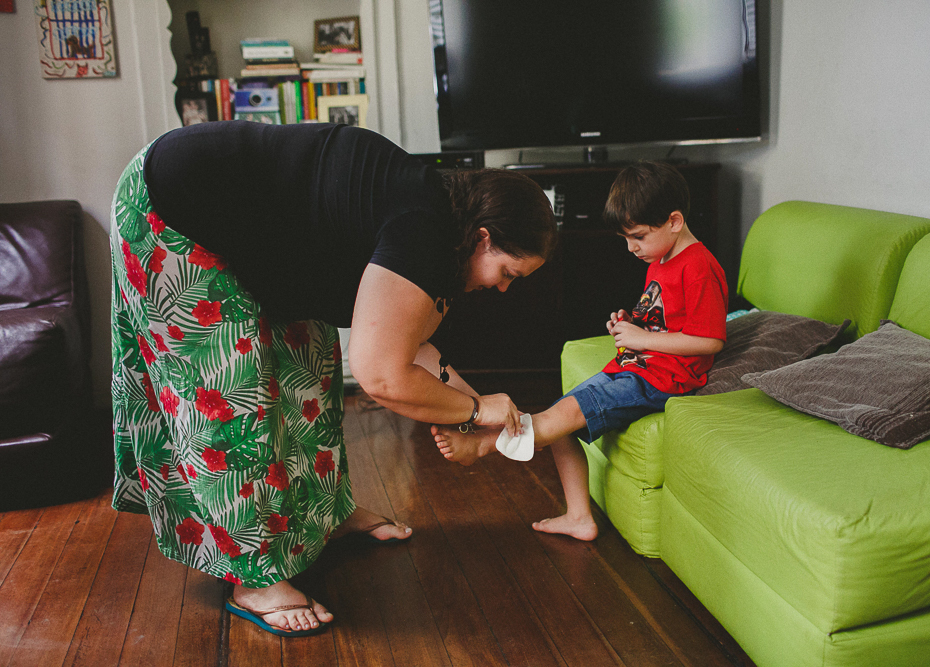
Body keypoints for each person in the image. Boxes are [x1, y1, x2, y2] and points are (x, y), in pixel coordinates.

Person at [109, 121, 556, 636]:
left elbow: (414, 349)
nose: (501, 289)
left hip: (259, 237)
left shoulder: (444, 231)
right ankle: (252, 579)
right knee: (229, 391)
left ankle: (324, 517)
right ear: (484, 237)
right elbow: (381, 377)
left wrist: (482, 409)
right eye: (507, 273)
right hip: (175, 207)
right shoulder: (423, 231)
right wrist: (478, 412)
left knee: (310, 370)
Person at [432, 161, 727, 541]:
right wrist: (632, 324)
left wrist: (643, 340)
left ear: (673, 221)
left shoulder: (698, 266)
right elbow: (665, 318)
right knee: (563, 426)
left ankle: (484, 443)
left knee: (564, 413)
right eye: (625, 238)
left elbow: (710, 340)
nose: (631, 248)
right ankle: (578, 516)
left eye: (637, 236)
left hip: (662, 379)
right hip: (636, 367)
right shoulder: (661, 257)